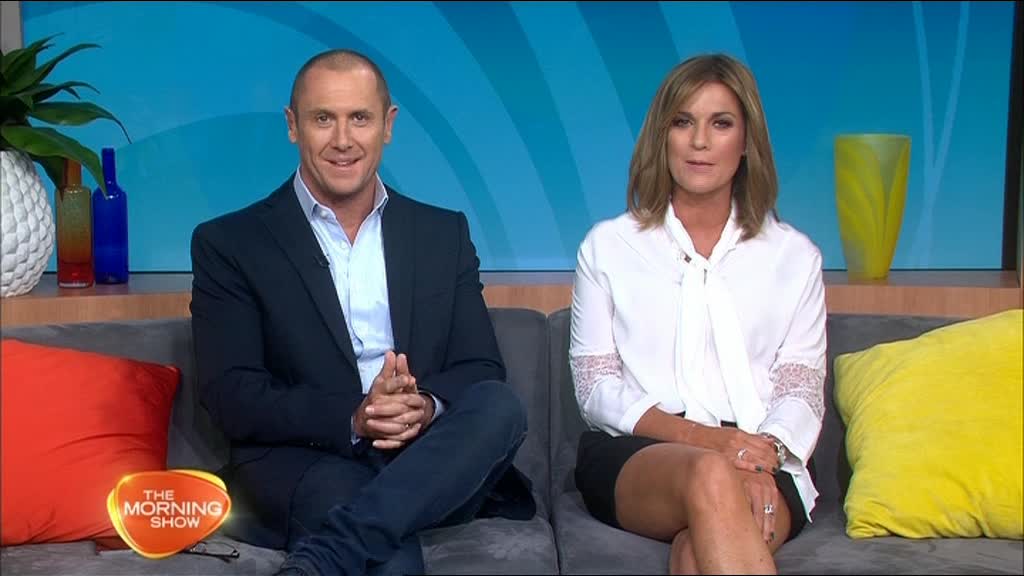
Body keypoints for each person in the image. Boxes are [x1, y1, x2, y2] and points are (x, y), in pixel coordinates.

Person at [190, 48, 535, 576]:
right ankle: (351, 540)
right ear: (293, 126)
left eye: (359, 118)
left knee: (498, 404)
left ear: (387, 125)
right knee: (388, 555)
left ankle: (325, 556)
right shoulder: (231, 242)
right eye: (323, 119)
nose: (343, 139)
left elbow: (480, 368)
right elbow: (232, 394)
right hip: (306, 460)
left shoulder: (442, 233)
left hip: (426, 457)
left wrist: (423, 407)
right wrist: (356, 416)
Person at [569, 53, 826, 574]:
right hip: (641, 452)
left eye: (721, 123)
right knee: (711, 474)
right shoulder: (608, 247)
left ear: (747, 140)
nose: (700, 141)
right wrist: (714, 446)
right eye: (683, 122)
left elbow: (801, 386)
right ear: (662, 137)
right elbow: (595, 387)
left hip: (765, 456)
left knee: (696, 550)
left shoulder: (794, 256)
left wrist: (757, 458)